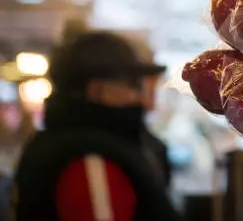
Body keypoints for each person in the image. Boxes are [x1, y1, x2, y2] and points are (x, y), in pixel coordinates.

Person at [11, 31, 182, 221]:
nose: (141, 99)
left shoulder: (64, 143)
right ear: (97, 90)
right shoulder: (91, 158)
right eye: (132, 85)